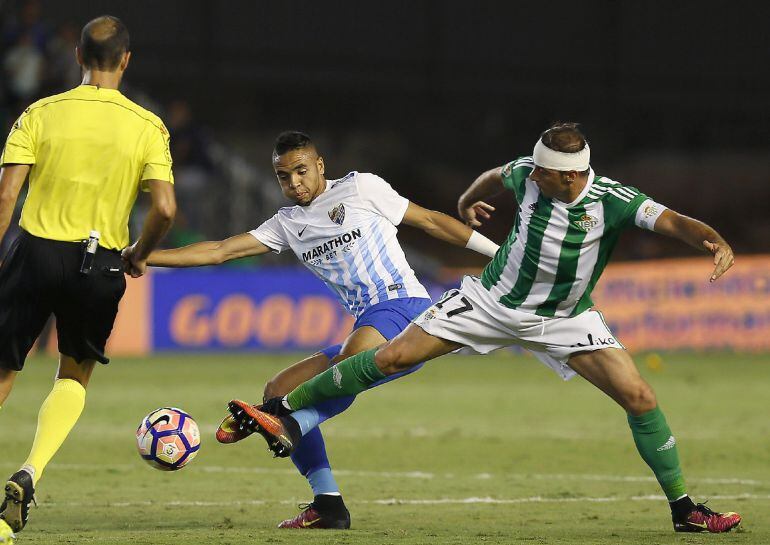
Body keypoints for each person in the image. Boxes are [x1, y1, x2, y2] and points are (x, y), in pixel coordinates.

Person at [240, 123, 742, 534]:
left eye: (542, 172)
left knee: (640, 397)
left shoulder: (615, 201)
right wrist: (467, 202)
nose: (531, 175)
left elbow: (672, 220)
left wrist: (713, 239)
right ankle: (286, 411)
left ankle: (685, 511)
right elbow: (496, 175)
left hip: (565, 318)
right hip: (488, 301)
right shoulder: (530, 170)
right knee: (392, 357)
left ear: (570, 177)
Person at [147, 130, 499, 529]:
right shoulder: (287, 224)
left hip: (407, 310)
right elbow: (219, 250)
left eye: (301, 171)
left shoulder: (361, 188)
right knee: (279, 387)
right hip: (369, 324)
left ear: (320, 166)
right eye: (283, 176)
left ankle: (287, 421)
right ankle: (328, 504)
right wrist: (145, 257)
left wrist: (500, 254)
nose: (294, 183)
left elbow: (432, 222)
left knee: (348, 362)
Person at [0, 16, 176, 533]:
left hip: (34, 252)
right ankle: (31, 471)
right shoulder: (148, 125)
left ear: (77, 56)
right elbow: (164, 207)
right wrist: (141, 251)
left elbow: (7, 195)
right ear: (125, 60)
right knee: (74, 372)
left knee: (3, 370)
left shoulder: (39, 113)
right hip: (99, 262)